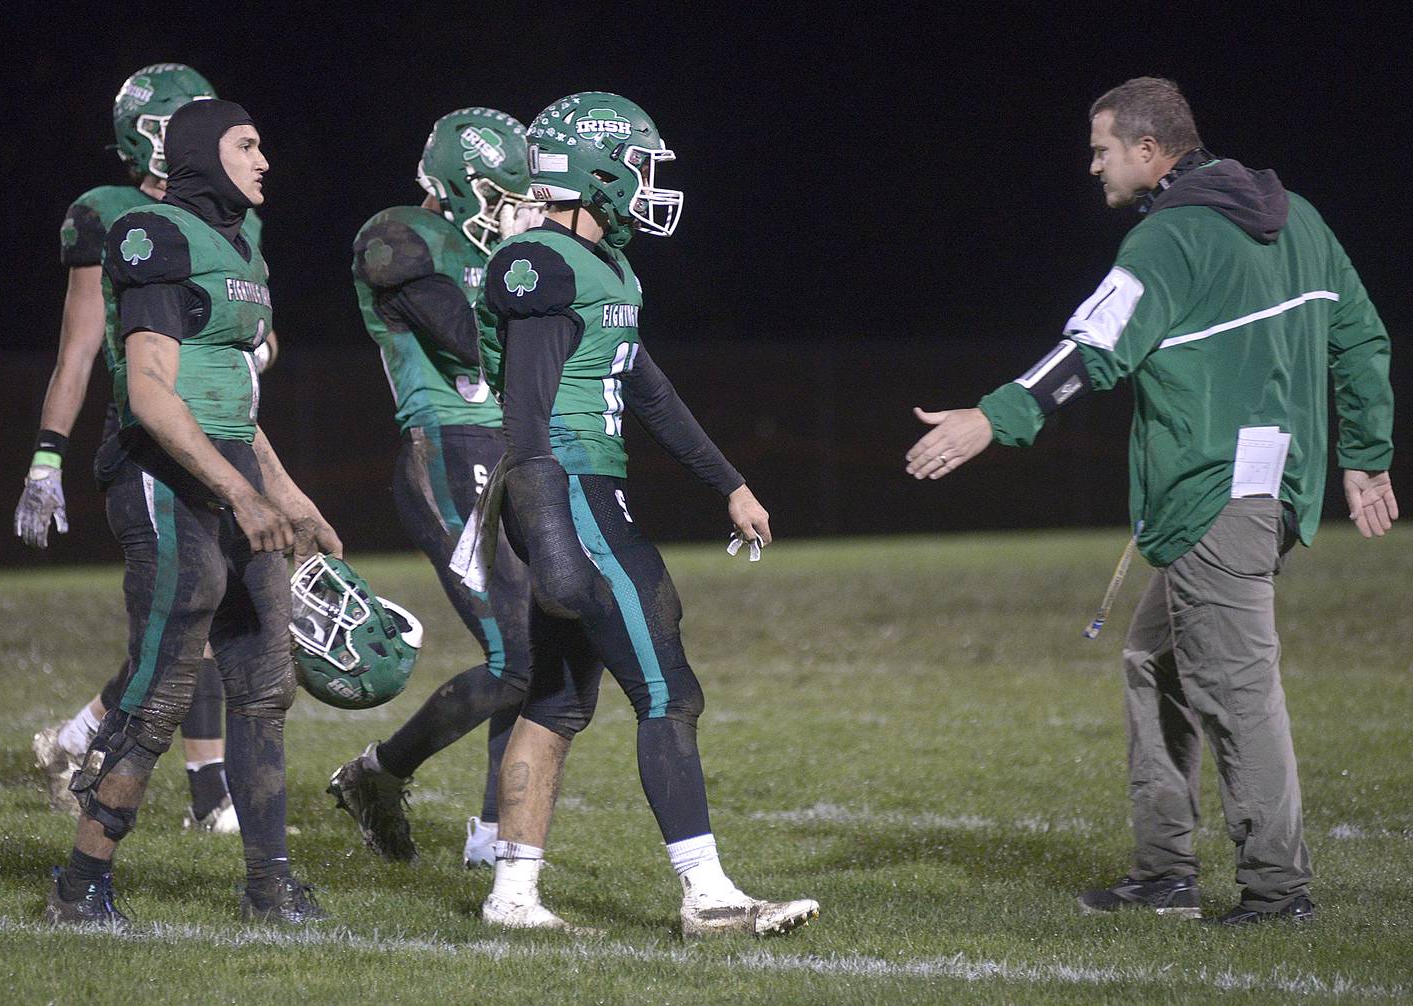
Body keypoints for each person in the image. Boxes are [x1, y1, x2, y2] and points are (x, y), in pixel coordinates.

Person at [905, 77, 1397, 924]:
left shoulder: (1168, 243)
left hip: (1216, 496)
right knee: (1154, 659)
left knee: (1238, 690)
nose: (1093, 166)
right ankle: (1165, 871)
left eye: (1101, 150)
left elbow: (1089, 349)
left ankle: (1278, 892)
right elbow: (1361, 337)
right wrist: (1365, 458)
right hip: (1272, 489)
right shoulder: (1301, 218)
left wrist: (993, 419)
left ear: (1148, 151)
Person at [474, 91, 818, 937]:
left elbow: (648, 390)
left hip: (581, 491)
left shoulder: (610, 266)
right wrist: (551, 536)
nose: (651, 181)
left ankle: (512, 896)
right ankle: (707, 894)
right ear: (595, 170)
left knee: (557, 705)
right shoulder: (541, 263)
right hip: (565, 487)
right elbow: (526, 419)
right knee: (668, 690)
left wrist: (728, 481)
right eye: (640, 162)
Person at [43, 98, 339, 929]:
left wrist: (285, 492)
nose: (265, 161)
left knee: (263, 679)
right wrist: (240, 493)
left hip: (228, 466)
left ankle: (269, 887)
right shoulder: (153, 232)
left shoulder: (242, 247)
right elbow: (148, 393)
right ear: (205, 155)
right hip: (161, 473)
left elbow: (233, 402)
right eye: (249, 144)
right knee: (167, 687)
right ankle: (80, 884)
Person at [19, 64, 275, 833]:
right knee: (185, 620)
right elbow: (82, 350)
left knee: (204, 627)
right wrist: (46, 453)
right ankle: (175, 800)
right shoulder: (117, 218)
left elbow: (257, 337)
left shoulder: (240, 222)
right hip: (154, 434)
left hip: (224, 425)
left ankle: (84, 739)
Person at [327, 107, 546, 868]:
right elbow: (462, 333)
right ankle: (378, 774)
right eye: (500, 194)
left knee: (534, 653)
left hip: (510, 451)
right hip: (449, 451)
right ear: (455, 183)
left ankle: (490, 840)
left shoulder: (497, 249)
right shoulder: (399, 234)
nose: (516, 211)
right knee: (513, 656)